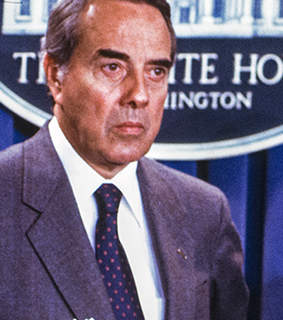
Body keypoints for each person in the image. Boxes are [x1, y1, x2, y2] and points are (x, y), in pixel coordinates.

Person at [0, 0, 248, 319]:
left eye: (156, 71)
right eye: (113, 67)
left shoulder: (203, 211)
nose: (139, 94)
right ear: (55, 76)